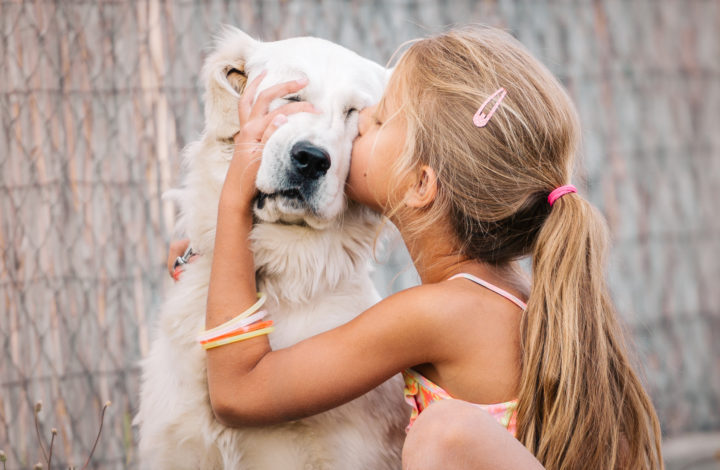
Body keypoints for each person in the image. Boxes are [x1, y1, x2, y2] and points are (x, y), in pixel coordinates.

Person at [168, 26, 664, 469]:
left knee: (443, 436)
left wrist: (234, 203)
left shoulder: (438, 314)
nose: (355, 130)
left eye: (375, 121)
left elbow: (240, 392)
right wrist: (216, 258)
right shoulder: (506, 297)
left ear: (421, 184)